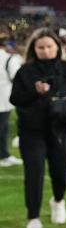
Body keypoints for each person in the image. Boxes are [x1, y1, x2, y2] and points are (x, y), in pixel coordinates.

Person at [9, 28, 66, 228]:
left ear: (58, 47)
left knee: (61, 173)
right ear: (33, 48)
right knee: (33, 175)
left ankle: (58, 200)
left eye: (49, 46)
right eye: (40, 47)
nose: (45, 50)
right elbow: (15, 99)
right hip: (31, 131)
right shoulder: (25, 72)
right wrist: (35, 92)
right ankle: (33, 219)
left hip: (61, 129)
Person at [0, 35, 24, 167]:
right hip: (3, 97)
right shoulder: (9, 58)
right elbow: (17, 77)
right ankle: (3, 156)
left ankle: (4, 155)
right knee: (3, 128)